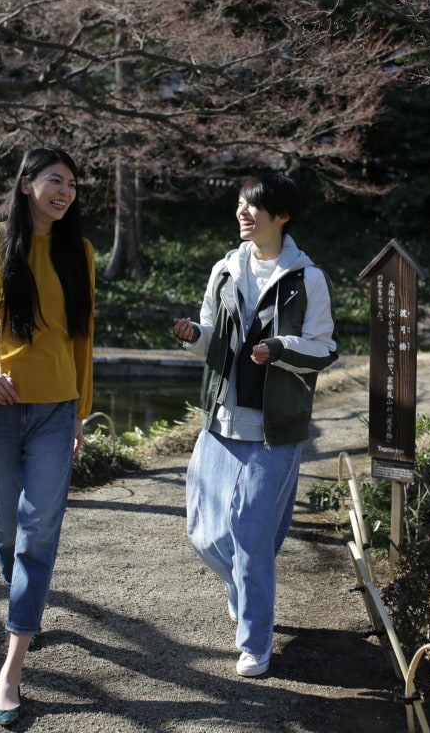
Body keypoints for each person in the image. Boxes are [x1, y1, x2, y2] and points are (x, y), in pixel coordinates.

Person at [0, 146, 95, 726]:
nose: (65, 192)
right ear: (27, 184)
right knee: (5, 523)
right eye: (55, 180)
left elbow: (83, 338)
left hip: (57, 409)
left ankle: (12, 666)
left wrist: (80, 411)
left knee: (38, 528)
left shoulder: (79, 251)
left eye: (72, 184)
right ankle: (23, 599)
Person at [172, 173, 338, 677]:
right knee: (204, 533)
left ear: (281, 216)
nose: (242, 212)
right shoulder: (225, 270)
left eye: (254, 205)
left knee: (250, 533)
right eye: (240, 204)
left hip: (275, 426)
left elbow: (324, 348)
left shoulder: (308, 278)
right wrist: (193, 336)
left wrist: (280, 348)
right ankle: (242, 587)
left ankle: (255, 641)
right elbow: (210, 339)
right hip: (221, 419)